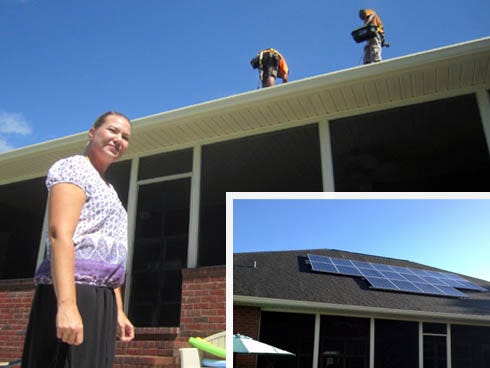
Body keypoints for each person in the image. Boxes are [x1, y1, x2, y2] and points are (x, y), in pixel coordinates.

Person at [21, 111, 135, 368]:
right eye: (113, 131)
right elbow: (59, 234)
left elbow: (107, 256)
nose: (119, 139)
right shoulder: (74, 168)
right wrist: (67, 305)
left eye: (125, 137)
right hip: (73, 289)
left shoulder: (109, 188)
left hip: (102, 297)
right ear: (92, 133)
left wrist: (118, 310)